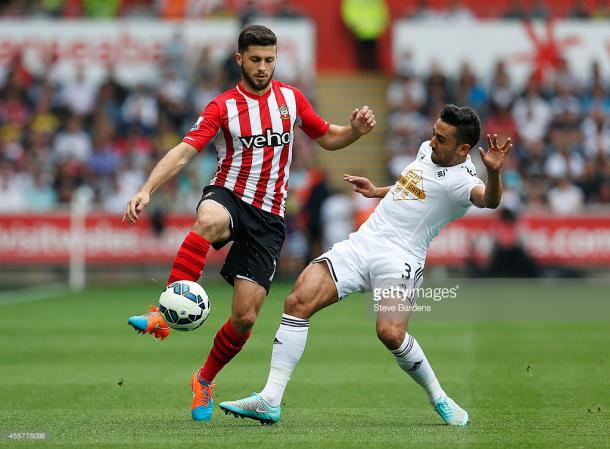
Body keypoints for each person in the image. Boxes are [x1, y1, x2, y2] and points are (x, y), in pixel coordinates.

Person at [122, 25, 376, 423]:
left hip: (269, 218)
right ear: (239, 59)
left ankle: (204, 380)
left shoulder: (291, 100)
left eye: (269, 60)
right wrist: (146, 188)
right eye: (255, 60)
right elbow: (185, 152)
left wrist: (355, 133)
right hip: (229, 194)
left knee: (245, 319)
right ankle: (163, 311)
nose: (262, 67)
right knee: (208, 217)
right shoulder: (222, 106)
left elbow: (327, 137)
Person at [219, 105, 513, 426]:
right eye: (433, 133)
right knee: (297, 300)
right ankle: (270, 399)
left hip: (401, 257)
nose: (431, 141)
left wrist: (495, 172)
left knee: (390, 333)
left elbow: (488, 200)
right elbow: (416, 189)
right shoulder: (427, 151)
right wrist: (378, 192)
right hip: (363, 243)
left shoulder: (462, 181)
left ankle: (439, 396)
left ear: (464, 148)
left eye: (441, 139)